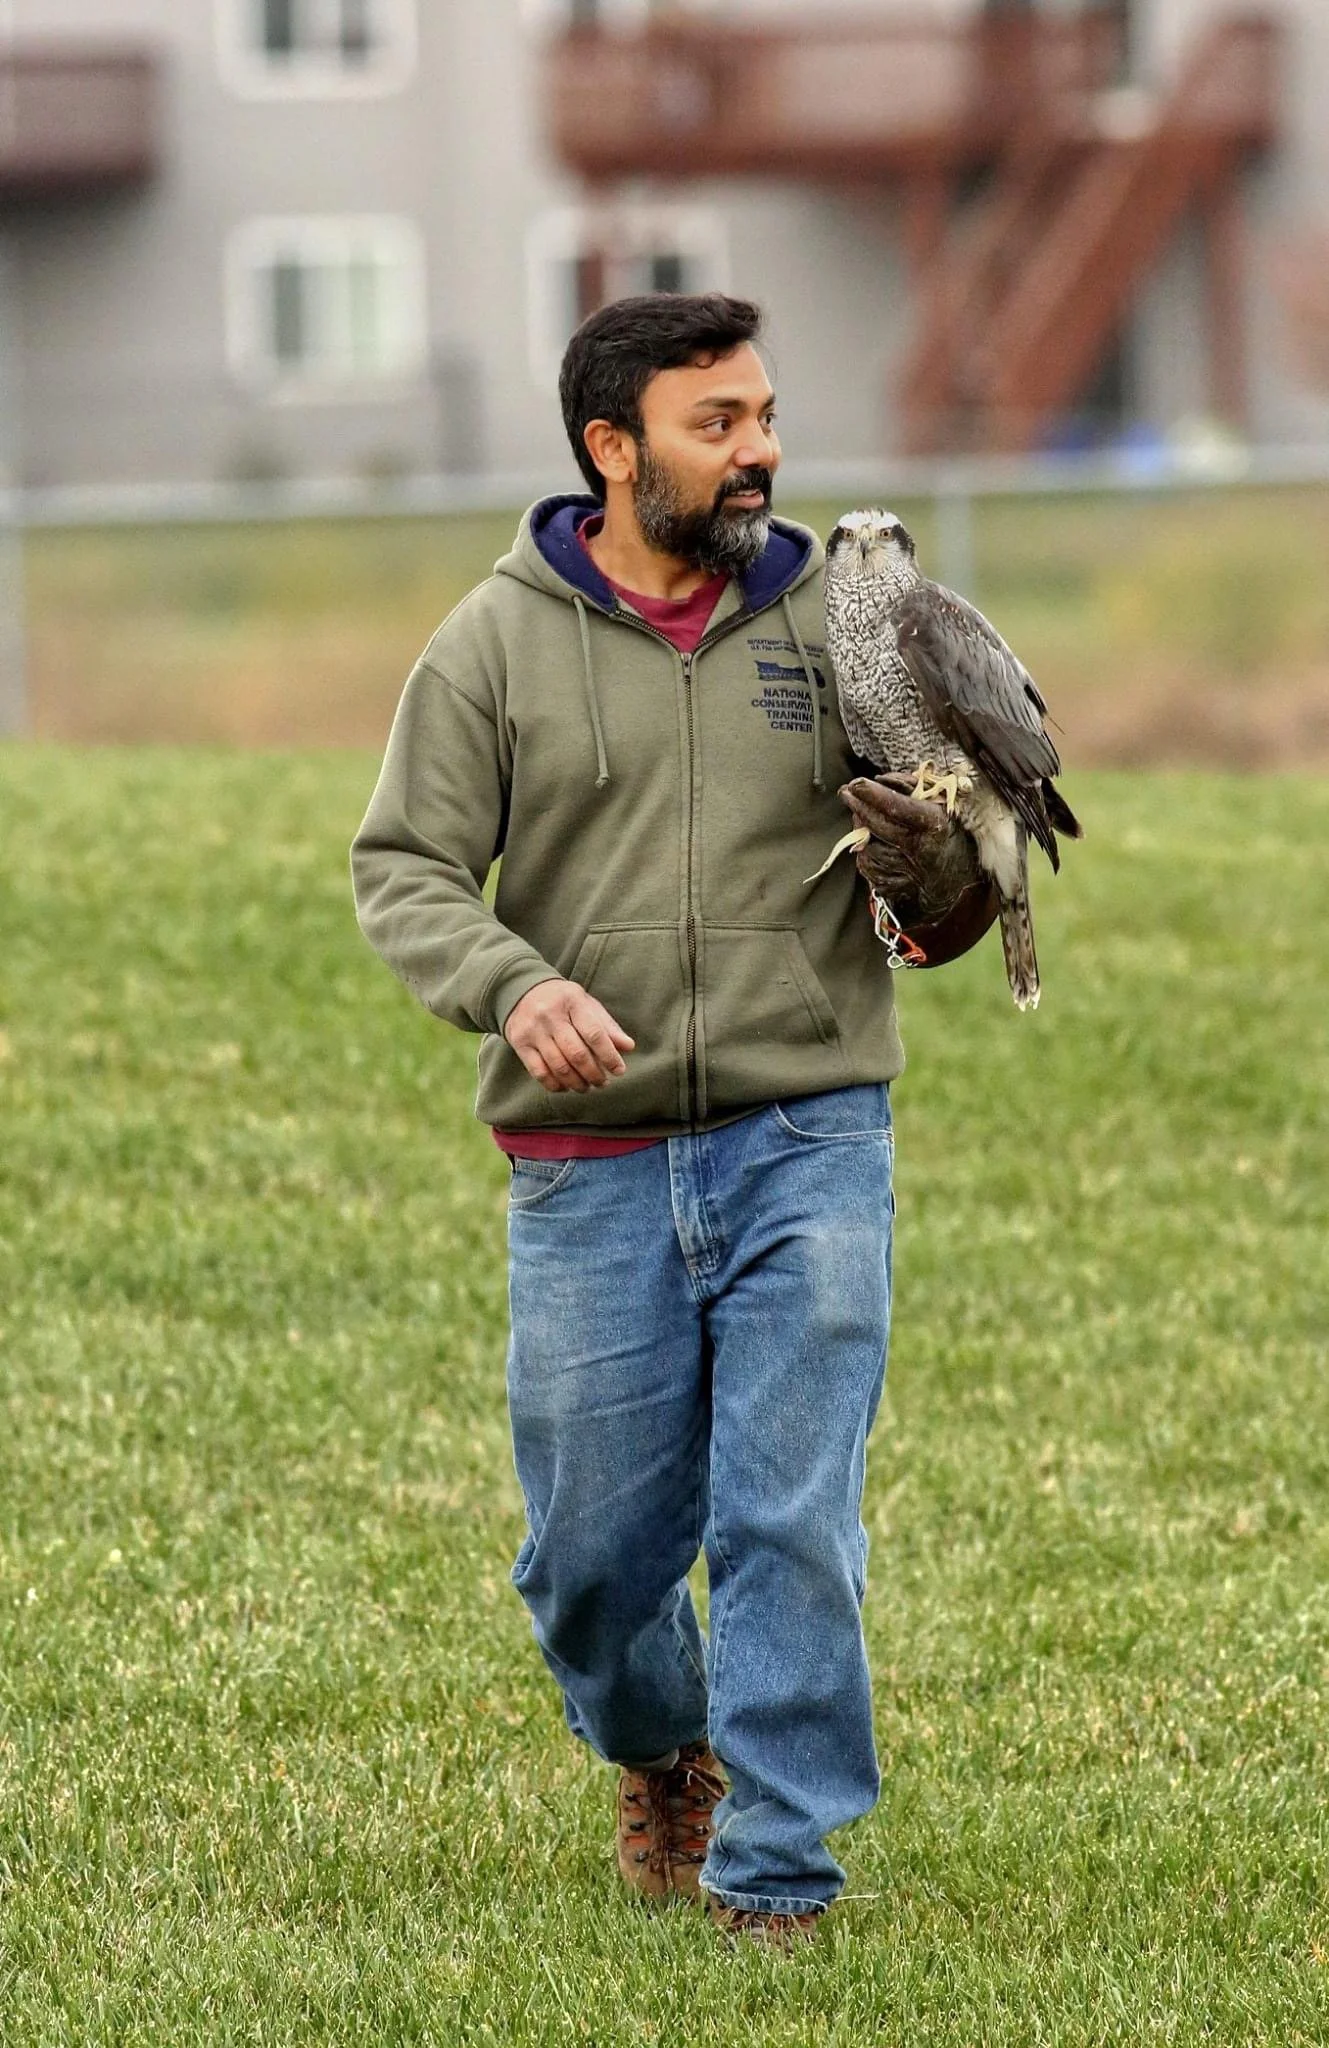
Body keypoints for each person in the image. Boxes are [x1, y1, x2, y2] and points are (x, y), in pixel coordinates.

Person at [351, 294, 996, 1952]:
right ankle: (659, 1744)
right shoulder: (491, 645)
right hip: (589, 1163)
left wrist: (950, 893)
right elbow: (404, 870)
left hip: (810, 1135)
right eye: (718, 423)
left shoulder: (839, 620)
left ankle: (777, 1875)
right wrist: (513, 985)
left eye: (766, 413)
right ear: (611, 450)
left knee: (787, 1520)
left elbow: (955, 844)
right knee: (591, 1560)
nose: (761, 449)